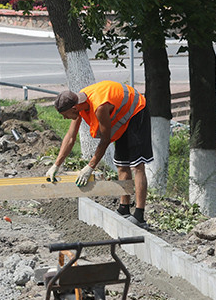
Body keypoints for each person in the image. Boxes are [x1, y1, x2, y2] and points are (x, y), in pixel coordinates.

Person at [46, 81, 153, 225]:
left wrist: (90, 167)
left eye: (66, 115)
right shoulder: (79, 103)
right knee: (121, 164)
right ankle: (124, 208)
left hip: (136, 110)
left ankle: (139, 215)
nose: (65, 118)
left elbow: (105, 139)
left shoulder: (99, 107)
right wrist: (56, 165)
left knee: (137, 165)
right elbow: (70, 137)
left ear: (74, 108)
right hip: (122, 115)